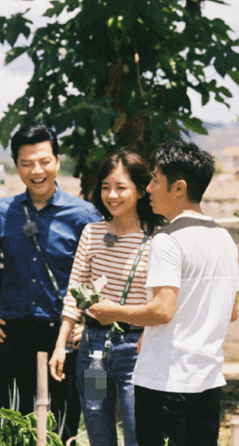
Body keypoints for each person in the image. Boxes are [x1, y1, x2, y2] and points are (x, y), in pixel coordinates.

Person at [89, 141, 239, 446]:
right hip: (208, 381)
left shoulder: (168, 239)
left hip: (166, 382)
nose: (149, 189)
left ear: (179, 188)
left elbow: (162, 310)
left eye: (156, 180)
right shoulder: (223, 237)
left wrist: (112, 311)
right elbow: (232, 311)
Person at [0, 123, 100, 441]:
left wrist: (90, 320)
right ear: (16, 166)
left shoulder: (84, 214)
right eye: (26, 164)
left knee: (65, 424)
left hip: (66, 338)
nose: (36, 171)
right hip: (15, 335)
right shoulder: (2, 213)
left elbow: (100, 272)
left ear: (57, 160)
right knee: (13, 424)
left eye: (43, 161)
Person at [49, 150, 165, 446]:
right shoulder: (92, 232)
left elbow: (161, 302)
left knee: (138, 431)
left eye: (121, 187)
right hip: (93, 352)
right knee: (98, 426)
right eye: (105, 187)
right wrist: (61, 344)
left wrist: (124, 316)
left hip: (136, 350)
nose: (111, 195)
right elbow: (75, 289)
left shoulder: (158, 238)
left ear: (140, 190)